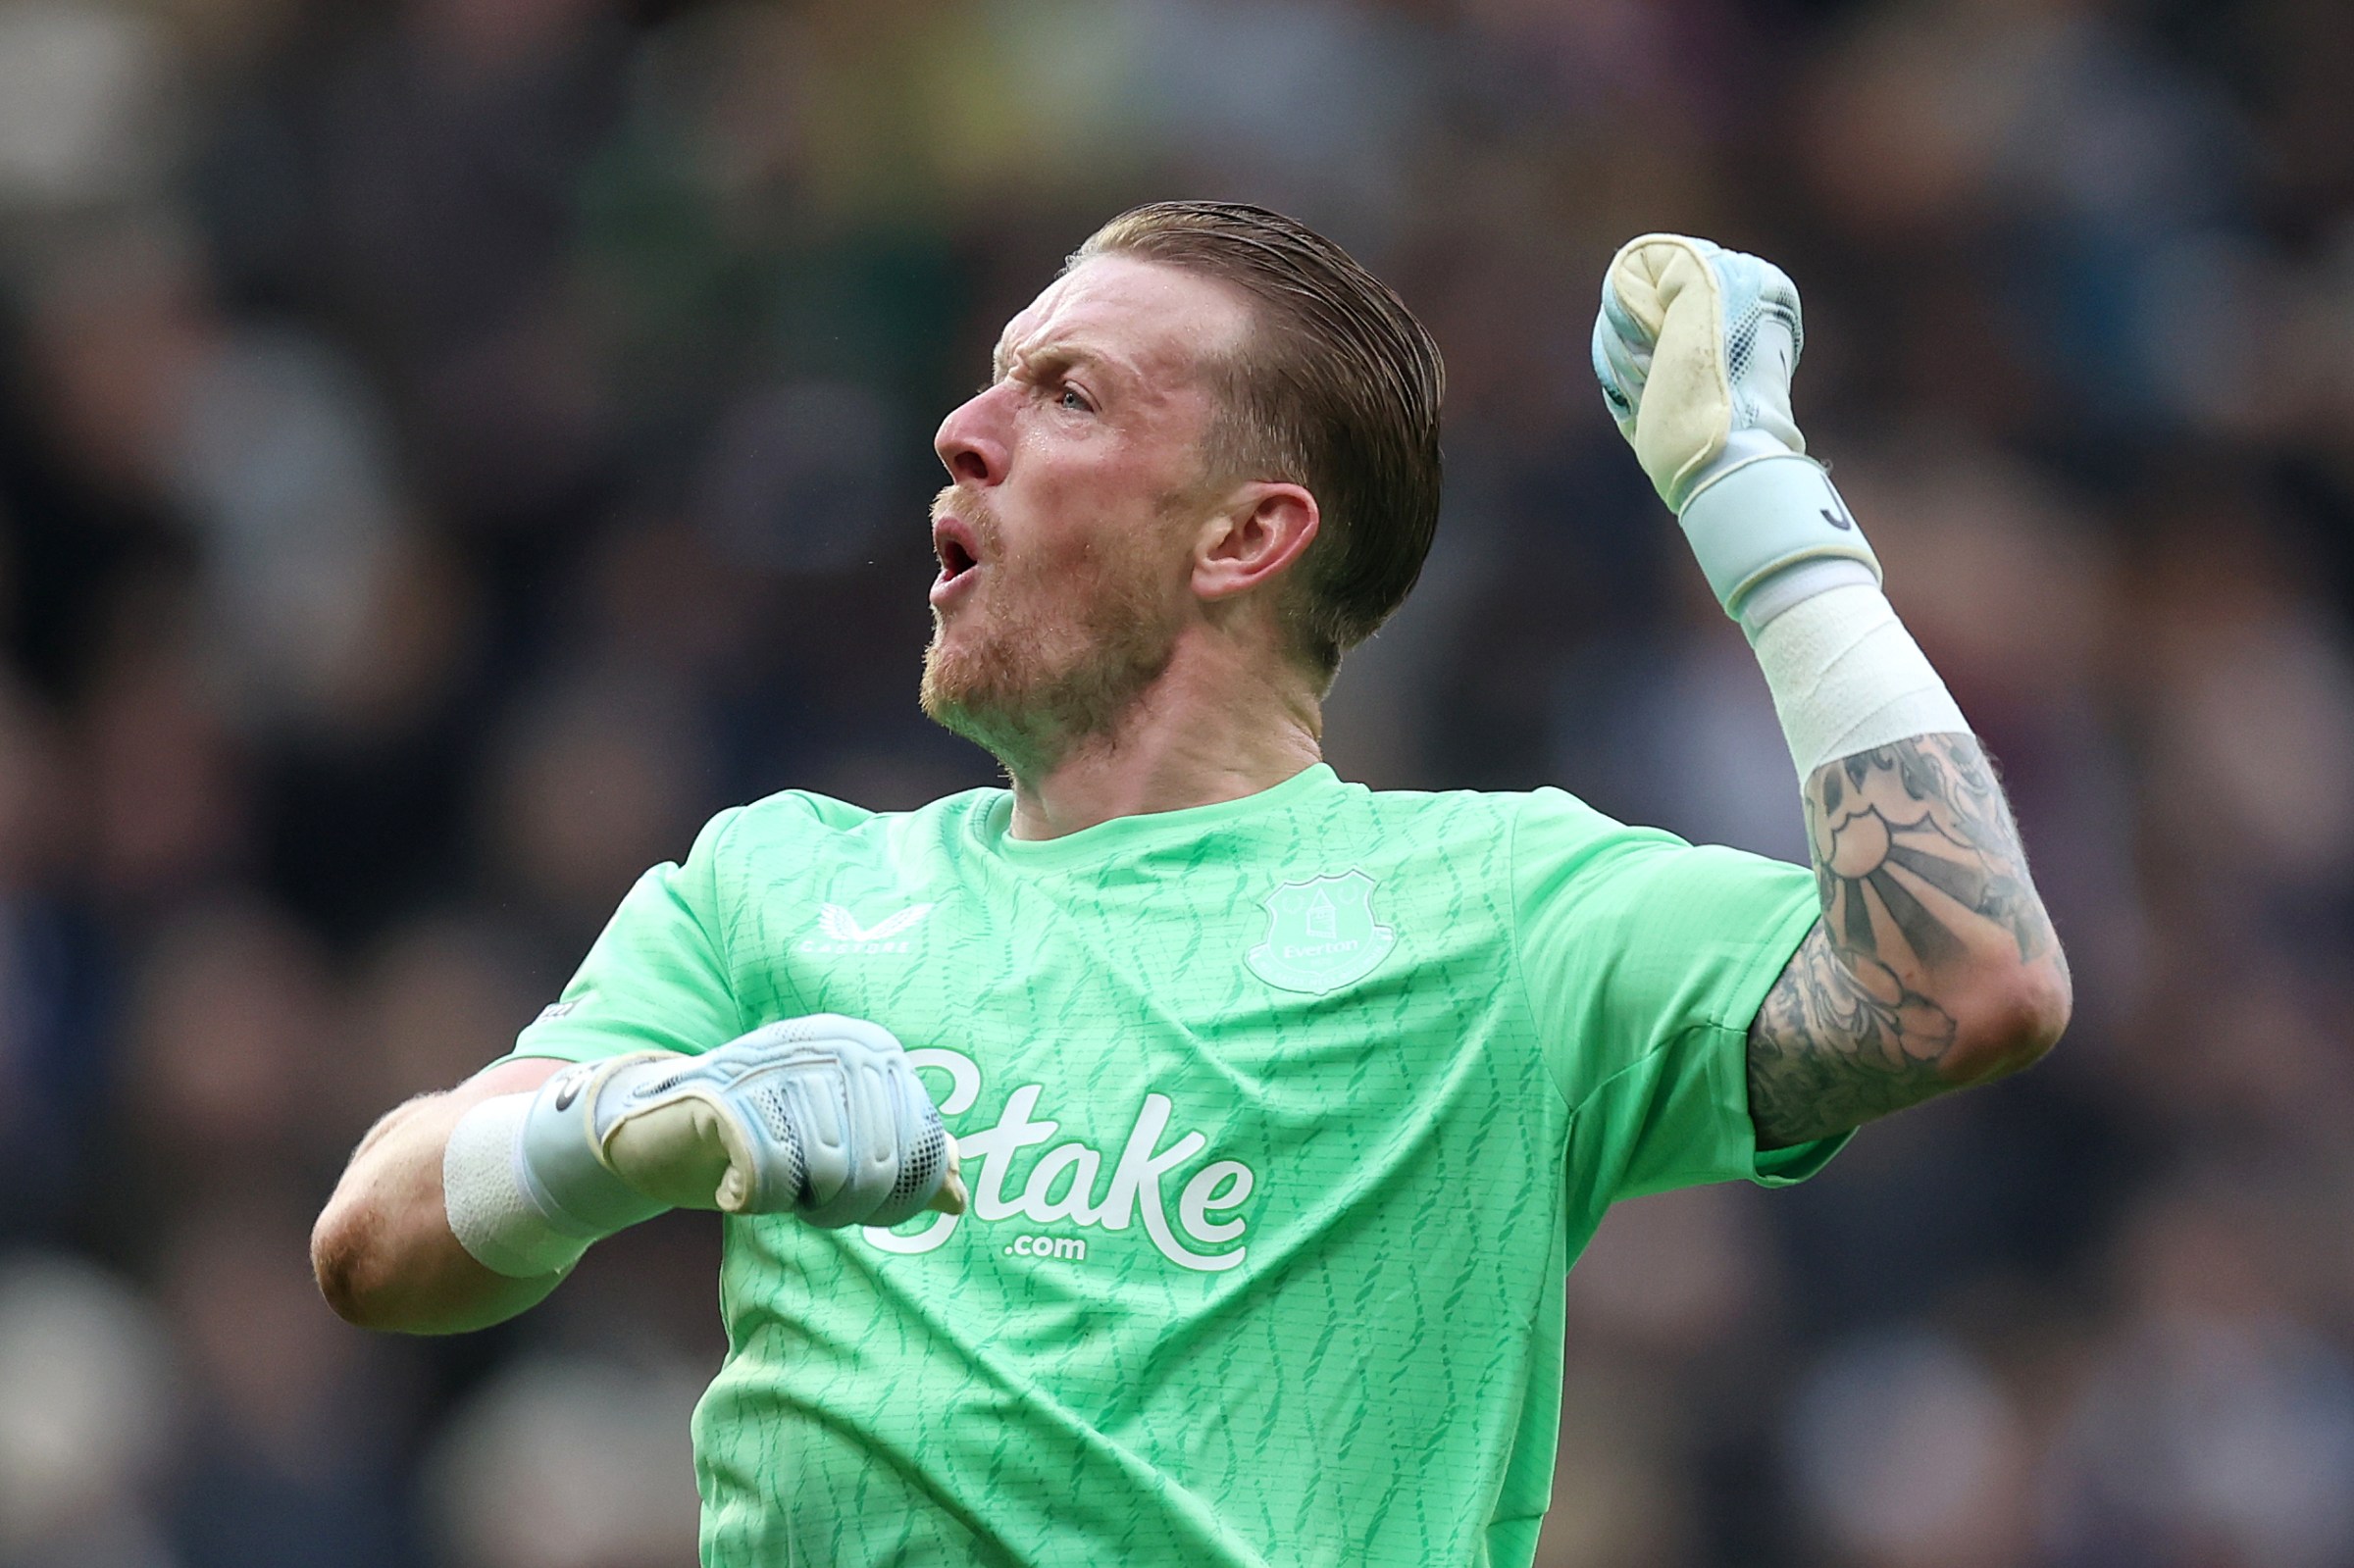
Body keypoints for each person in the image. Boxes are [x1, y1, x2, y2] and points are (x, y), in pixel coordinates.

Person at [312, 203, 2071, 1566]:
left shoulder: (1500, 911)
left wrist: (1755, 504)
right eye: (997, 374)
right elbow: (376, 1243)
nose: (962, 427)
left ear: (1249, 536)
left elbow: (1964, 978)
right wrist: (631, 1123)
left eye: (1065, 394)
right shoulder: (777, 886)